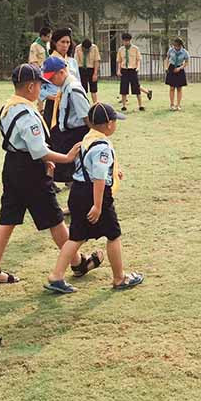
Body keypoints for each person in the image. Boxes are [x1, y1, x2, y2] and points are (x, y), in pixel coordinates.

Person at [0, 65, 103, 285]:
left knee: (7, 219)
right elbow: (38, 150)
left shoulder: (8, 107)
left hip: (12, 165)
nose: (41, 89)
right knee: (55, 218)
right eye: (39, 85)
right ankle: (77, 263)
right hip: (30, 170)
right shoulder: (27, 113)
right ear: (30, 86)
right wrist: (66, 157)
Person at [45, 103, 144, 293]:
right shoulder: (102, 146)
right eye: (115, 122)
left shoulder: (87, 138)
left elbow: (90, 165)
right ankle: (119, 278)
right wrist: (98, 206)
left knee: (75, 237)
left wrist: (114, 172)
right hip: (94, 194)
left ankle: (55, 276)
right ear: (108, 124)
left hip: (78, 191)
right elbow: (98, 176)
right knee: (114, 235)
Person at [44, 55, 91, 183]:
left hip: (76, 133)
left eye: (52, 77)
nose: (51, 81)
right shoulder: (64, 87)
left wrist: (93, 137)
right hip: (66, 132)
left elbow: (86, 116)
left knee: (73, 167)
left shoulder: (73, 89)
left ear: (62, 72)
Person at [40, 29, 76, 127]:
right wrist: (53, 98)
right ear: (55, 43)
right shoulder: (48, 63)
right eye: (62, 42)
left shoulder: (72, 62)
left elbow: (78, 82)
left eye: (68, 42)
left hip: (71, 103)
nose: (65, 45)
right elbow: (40, 88)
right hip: (53, 104)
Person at [117, 33, 151, 111]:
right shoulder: (121, 50)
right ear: (123, 41)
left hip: (133, 69)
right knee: (123, 88)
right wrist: (119, 70)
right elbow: (119, 61)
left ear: (130, 40)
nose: (126, 42)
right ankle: (124, 105)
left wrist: (138, 67)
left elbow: (138, 59)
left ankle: (140, 105)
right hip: (124, 70)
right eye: (125, 41)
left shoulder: (135, 49)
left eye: (128, 41)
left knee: (136, 88)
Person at [164, 37, 189, 111]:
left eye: (177, 45)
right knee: (171, 88)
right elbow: (167, 59)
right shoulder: (171, 50)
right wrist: (166, 67)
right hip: (171, 68)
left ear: (181, 45)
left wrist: (180, 68)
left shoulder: (185, 52)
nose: (176, 47)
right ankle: (172, 104)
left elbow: (187, 62)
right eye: (175, 45)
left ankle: (178, 105)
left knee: (179, 88)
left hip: (180, 68)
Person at [75, 38, 101, 103]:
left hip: (91, 69)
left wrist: (95, 73)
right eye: (84, 49)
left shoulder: (94, 48)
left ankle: (95, 104)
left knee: (93, 89)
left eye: (88, 49)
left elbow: (96, 61)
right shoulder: (78, 48)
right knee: (83, 89)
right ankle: (84, 104)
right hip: (81, 69)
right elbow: (76, 62)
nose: (86, 50)